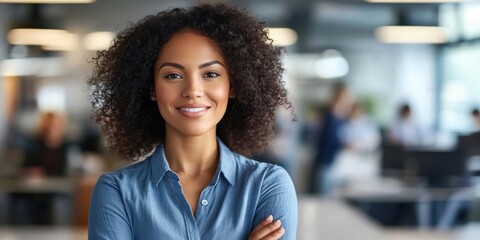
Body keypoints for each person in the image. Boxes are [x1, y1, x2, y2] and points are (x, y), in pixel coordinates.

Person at [87, 4, 297, 240]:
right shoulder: (116, 191)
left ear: (233, 85)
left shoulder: (268, 186)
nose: (193, 90)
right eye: (173, 76)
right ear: (151, 88)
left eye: (210, 74)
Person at [311, 82, 353, 194]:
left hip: (335, 164)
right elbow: (328, 140)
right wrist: (345, 144)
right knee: (323, 198)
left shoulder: (342, 118)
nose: (348, 100)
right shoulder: (328, 116)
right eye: (346, 96)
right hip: (325, 162)